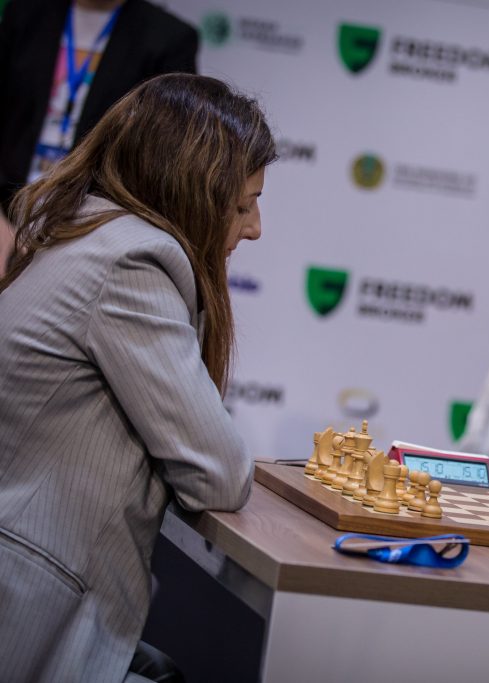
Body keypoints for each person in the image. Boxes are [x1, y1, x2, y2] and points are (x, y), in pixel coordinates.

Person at [0, 74, 276, 682]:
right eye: (241, 204)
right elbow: (220, 473)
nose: (254, 228)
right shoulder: (131, 261)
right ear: (191, 191)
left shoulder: (81, 229)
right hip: (29, 600)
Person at [0, 0, 198, 275]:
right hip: (9, 208)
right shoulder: (24, 14)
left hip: (91, 226)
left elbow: (161, 157)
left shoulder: (169, 38)